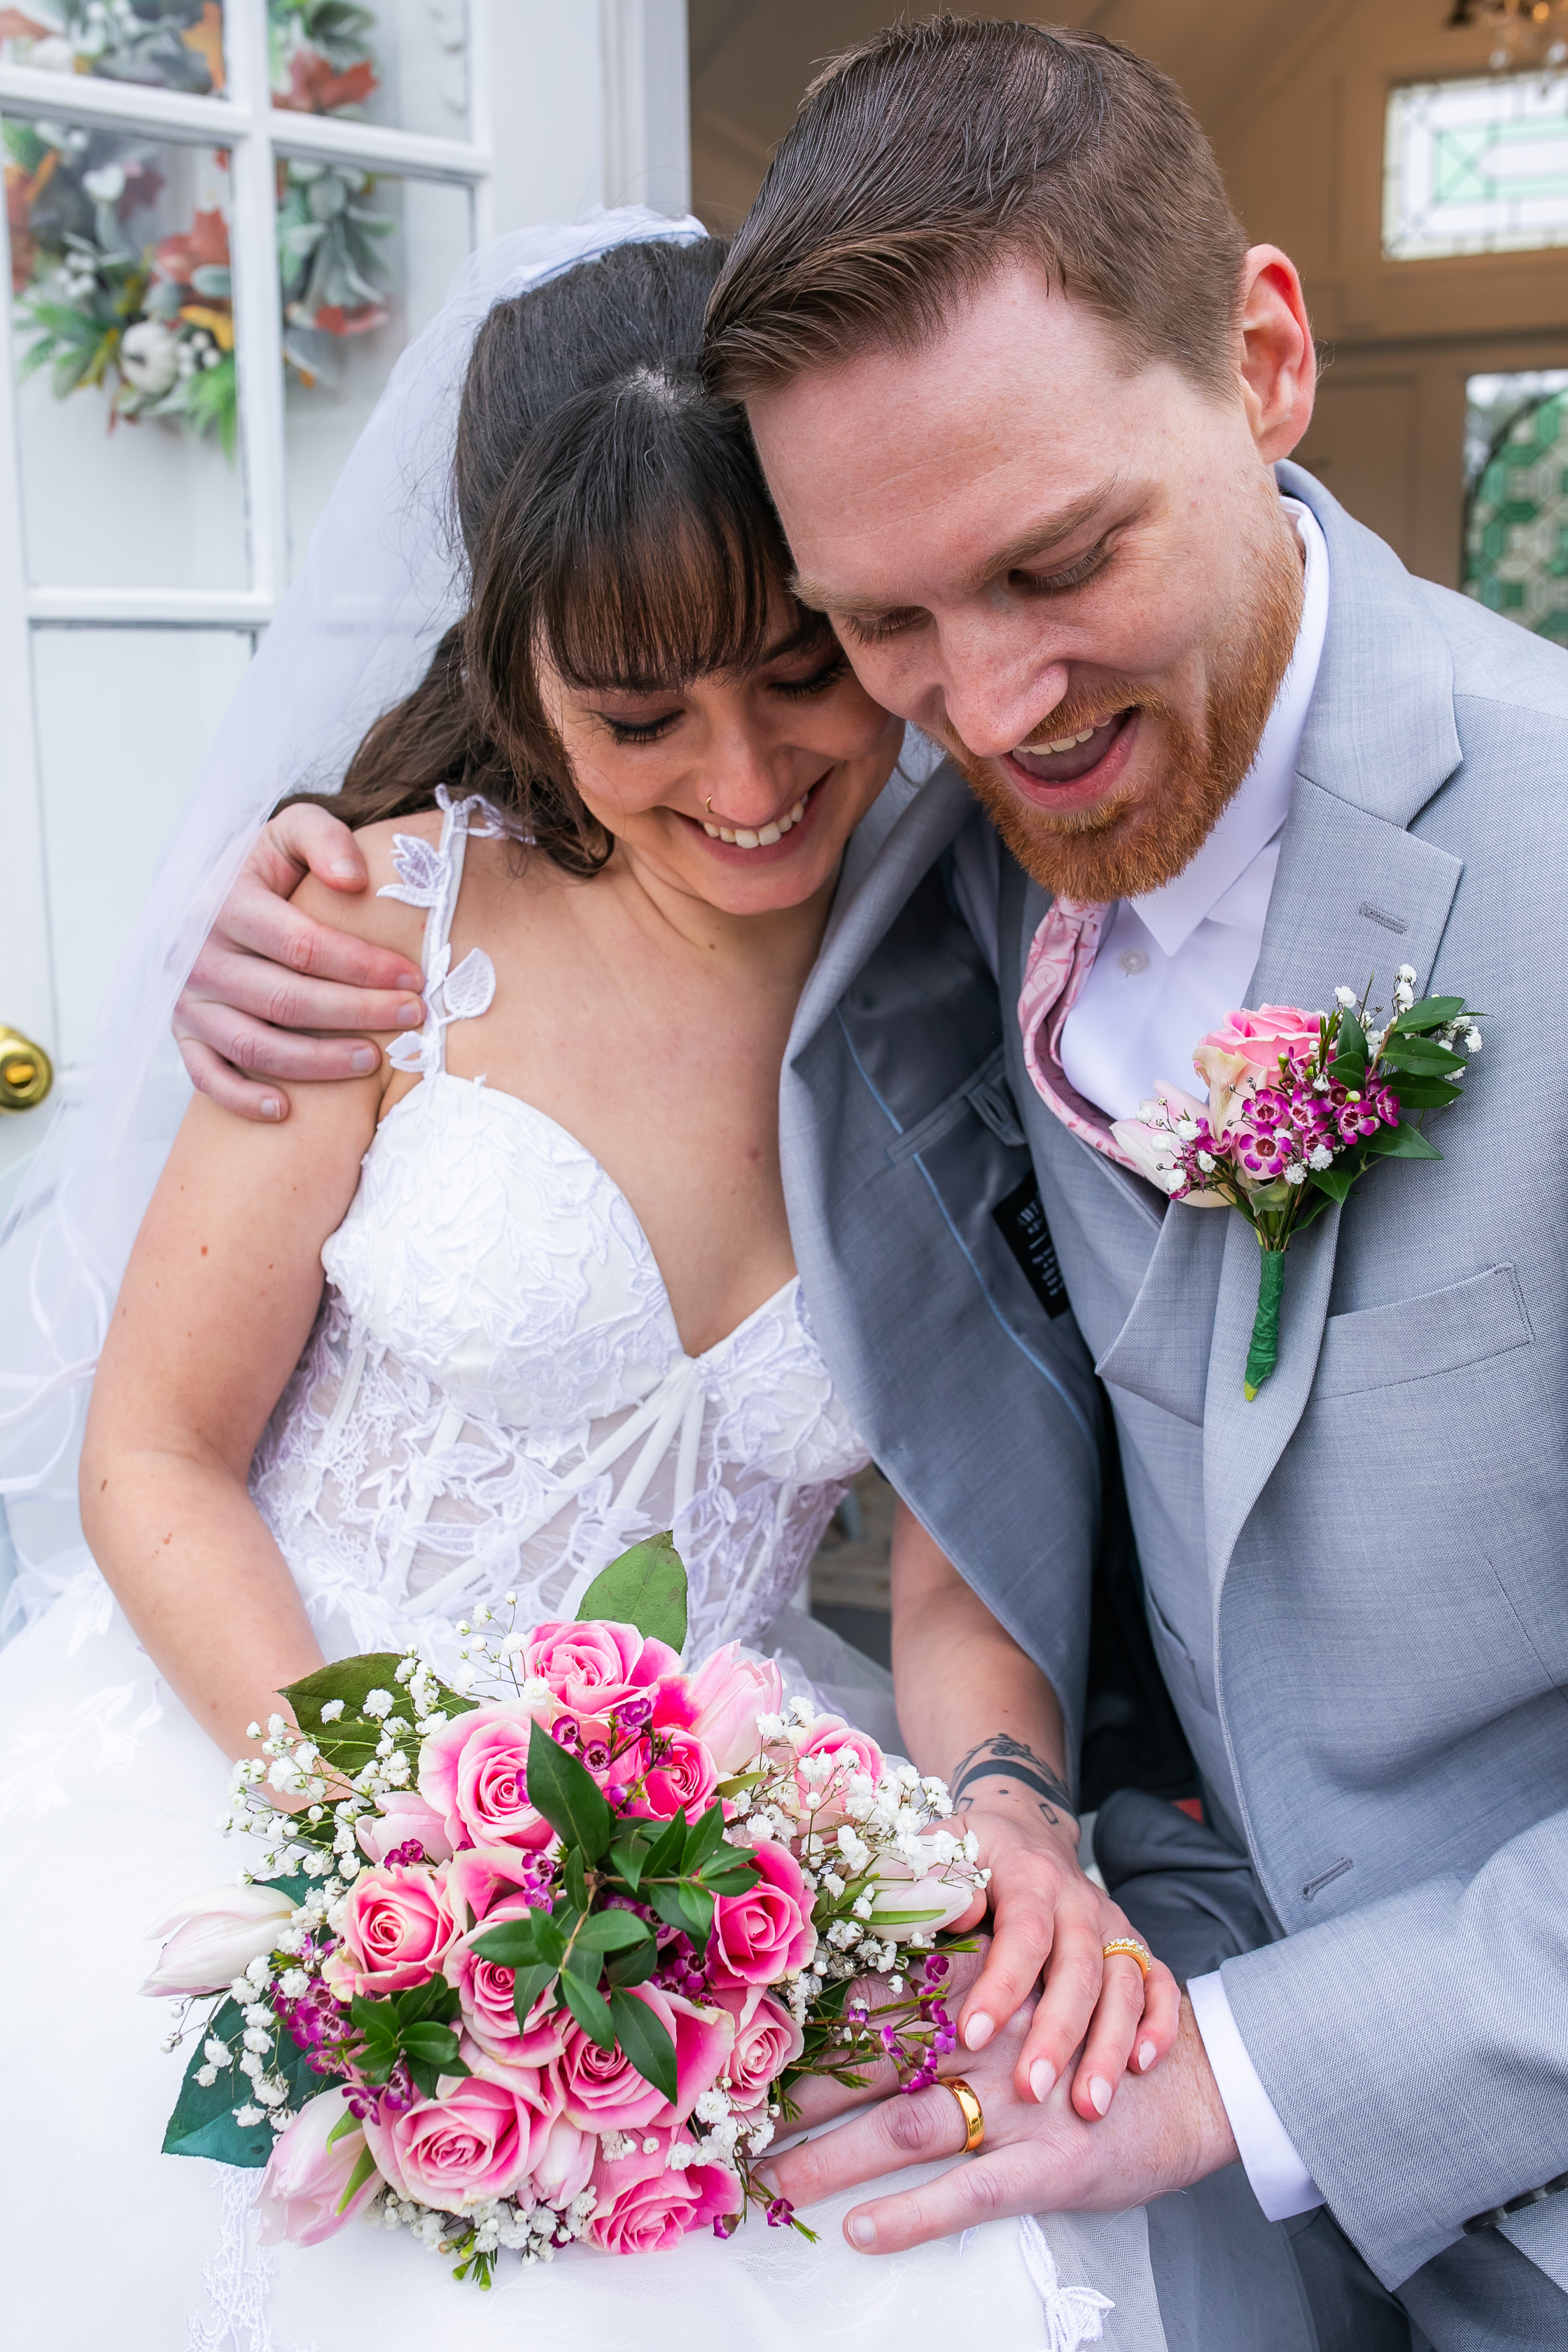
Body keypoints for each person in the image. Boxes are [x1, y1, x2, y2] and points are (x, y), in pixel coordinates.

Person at [180, 22, 1568, 2352]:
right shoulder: (886, 831)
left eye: (1057, 563)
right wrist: (1011, 1800)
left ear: (1266, 357)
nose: (998, 704)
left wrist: (1247, 2074)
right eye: (889, 621)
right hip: (1083, 1983)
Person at [0, 219, 1181, 2349]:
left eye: (798, 670)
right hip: (262, 1756)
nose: (742, 785)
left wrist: (1013, 1821)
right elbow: (156, 1454)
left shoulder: (978, 971)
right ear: (523, 670)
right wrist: (396, 1860)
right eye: (640, 713)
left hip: (722, 1864)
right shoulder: (373, 932)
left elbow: (947, 1546)